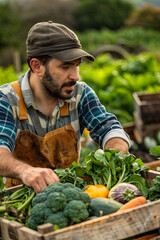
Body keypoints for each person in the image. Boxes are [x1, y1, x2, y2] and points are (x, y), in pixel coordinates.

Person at [0, 21, 130, 193]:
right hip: (20, 205)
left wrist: (115, 149)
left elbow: (108, 127)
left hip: (71, 197)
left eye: (77, 65)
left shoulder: (80, 94)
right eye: (66, 66)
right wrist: (25, 171)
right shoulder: (7, 99)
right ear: (37, 66)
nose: (76, 76)